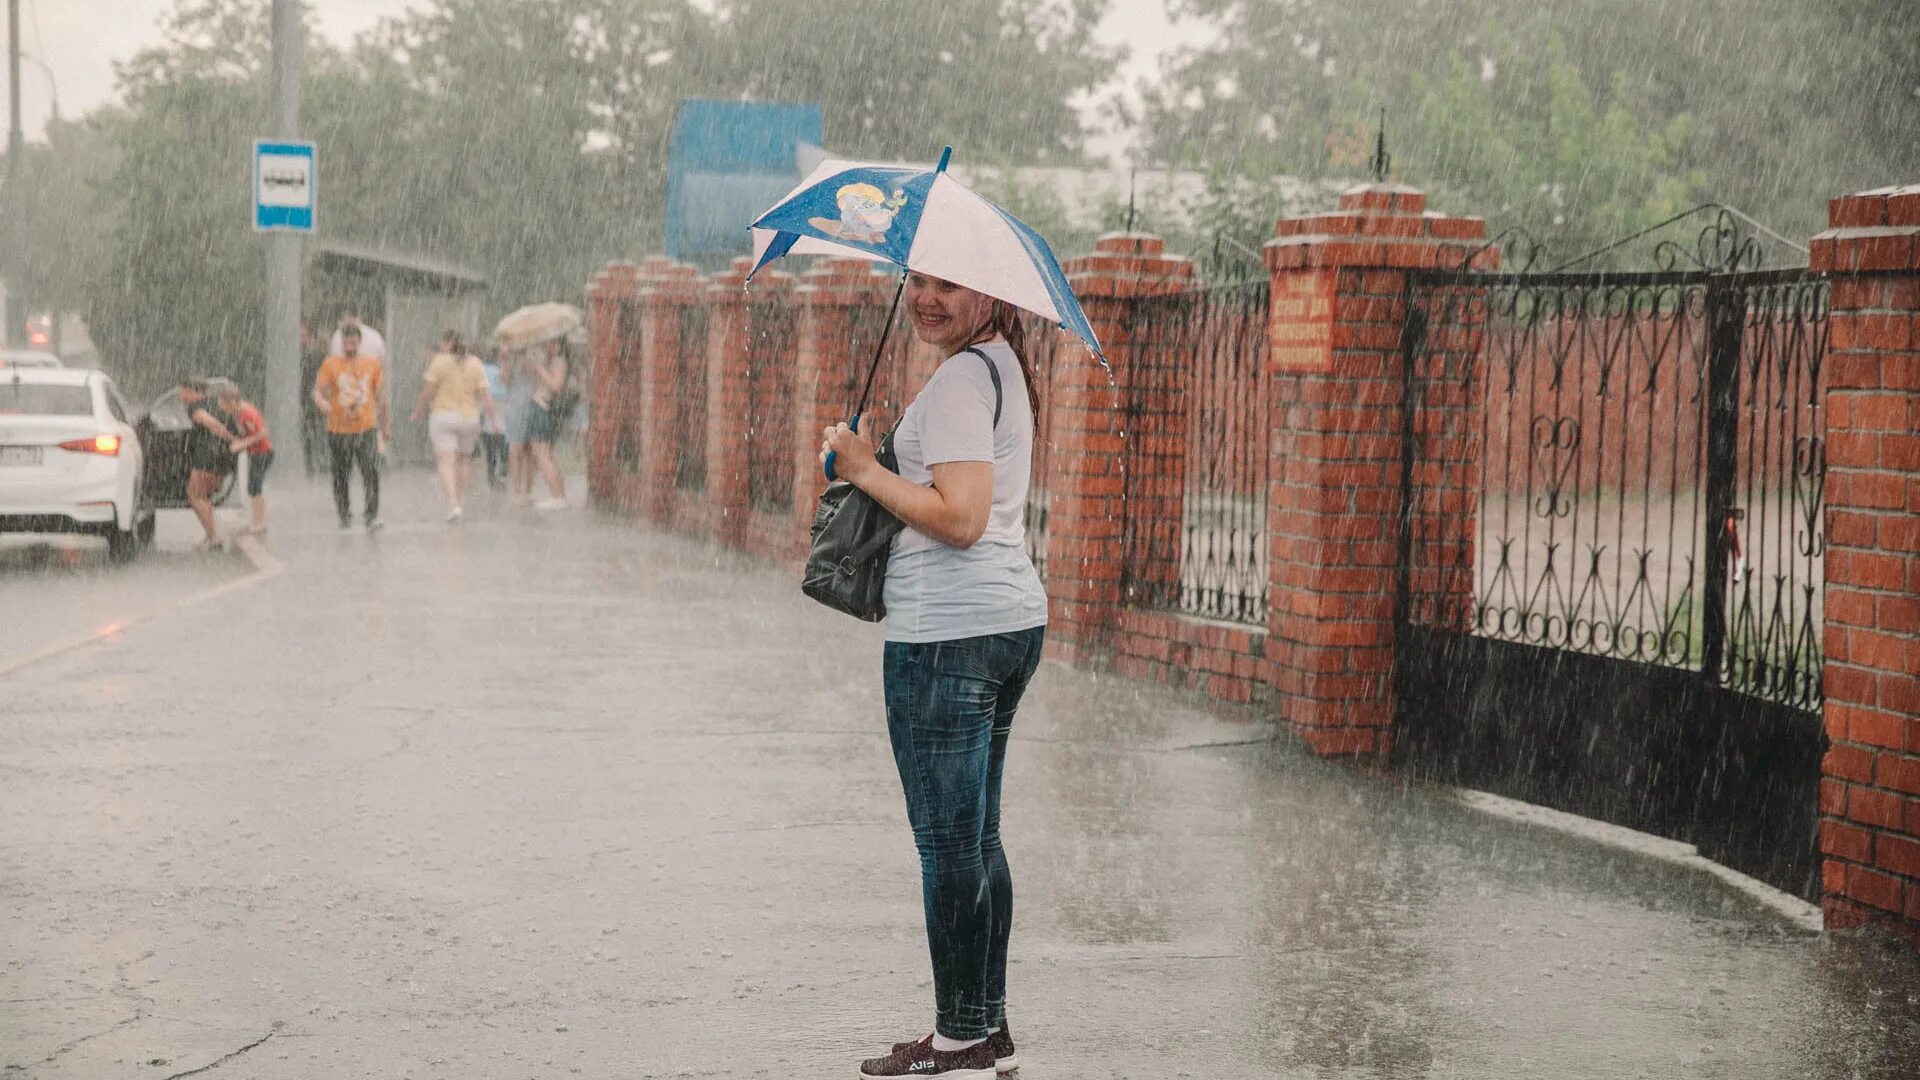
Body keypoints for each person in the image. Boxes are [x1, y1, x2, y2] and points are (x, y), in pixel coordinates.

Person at [820, 273, 1047, 1080]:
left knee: (948, 843)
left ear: (990, 297)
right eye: (918, 280)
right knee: (977, 837)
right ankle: (985, 1026)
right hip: (1006, 622)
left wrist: (859, 466)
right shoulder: (997, 366)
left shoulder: (960, 379)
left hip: (949, 635)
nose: (927, 298)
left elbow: (961, 517)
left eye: (950, 285)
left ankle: (959, 1039)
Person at [411, 330, 502, 522]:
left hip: (443, 416)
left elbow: (427, 391)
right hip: (469, 418)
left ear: (446, 343)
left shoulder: (439, 362)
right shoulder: (476, 363)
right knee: (464, 461)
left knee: (446, 461)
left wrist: (419, 410)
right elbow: (485, 395)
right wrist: (494, 419)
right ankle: (459, 500)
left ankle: (452, 503)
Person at [312, 325, 390, 530]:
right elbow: (318, 391)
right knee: (340, 474)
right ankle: (344, 512)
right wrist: (322, 403)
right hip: (338, 428)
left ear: (359, 342)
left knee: (370, 471)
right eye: (346, 342)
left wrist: (386, 424)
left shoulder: (371, 364)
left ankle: (371, 514)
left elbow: (381, 396)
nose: (350, 345)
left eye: (353, 341)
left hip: (366, 427)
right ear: (341, 343)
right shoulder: (330, 364)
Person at [178, 378, 239, 549]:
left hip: (208, 456)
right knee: (204, 497)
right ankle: (210, 534)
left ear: (191, 391)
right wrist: (232, 442)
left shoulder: (195, 407)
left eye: (182, 391)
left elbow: (209, 422)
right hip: (223, 457)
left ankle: (214, 537)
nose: (180, 396)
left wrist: (226, 435)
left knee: (195, 496)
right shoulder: (215, 402)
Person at [219, 382, 273, 536]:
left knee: (255, 487)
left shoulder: (247, 413)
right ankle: (256, 521)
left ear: (232, 402)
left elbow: (262, 433)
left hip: (262, 452)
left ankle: (260, 523)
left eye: (224, 404)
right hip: (255, 452)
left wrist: (243, 444)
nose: (222, 407)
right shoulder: (238, 413)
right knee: (253, 487)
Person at [523, 337, 570, 510]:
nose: (549, 346)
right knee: (545, 455)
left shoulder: (559, 362)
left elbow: (556, 386)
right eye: (548, 342)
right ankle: (558, 495)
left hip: (542, 407)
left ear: (559, 345)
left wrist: (541, 369)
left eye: (553, 343)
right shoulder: (548, 360)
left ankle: (557, 496)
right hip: (537, 406)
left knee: (542, 456)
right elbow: (529, 376)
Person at [502, 345, 535, 504]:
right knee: (515, 449)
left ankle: (526, 490)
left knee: (529, 450)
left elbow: (536, 378)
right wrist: (507, 361)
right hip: (515, 407)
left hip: (532, 405)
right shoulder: (509, 359)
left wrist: (528, 364)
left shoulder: (534, 356)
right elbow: (505, 381)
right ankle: (516, 488)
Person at [479, 347, 509, 489]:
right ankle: (503, 461)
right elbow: (505, 380)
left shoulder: (481, 368)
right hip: (501, 401)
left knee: (489, 429)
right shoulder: (500, 368)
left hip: (486, 400)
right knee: (501, 429)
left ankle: (492, 471)